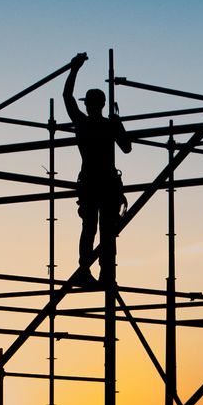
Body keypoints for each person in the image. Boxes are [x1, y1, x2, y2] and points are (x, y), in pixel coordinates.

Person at [62, 52, 132, 288]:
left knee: (90, 228)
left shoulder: (83, 123)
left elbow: (67, 97)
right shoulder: (109, 124)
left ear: (88, 105)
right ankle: (106, 273)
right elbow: (127, 148)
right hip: (107, 183)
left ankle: (85, 270)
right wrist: (118, 123)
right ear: (102, 104)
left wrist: (74, 69)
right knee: (107, 231)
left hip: (91, 182)